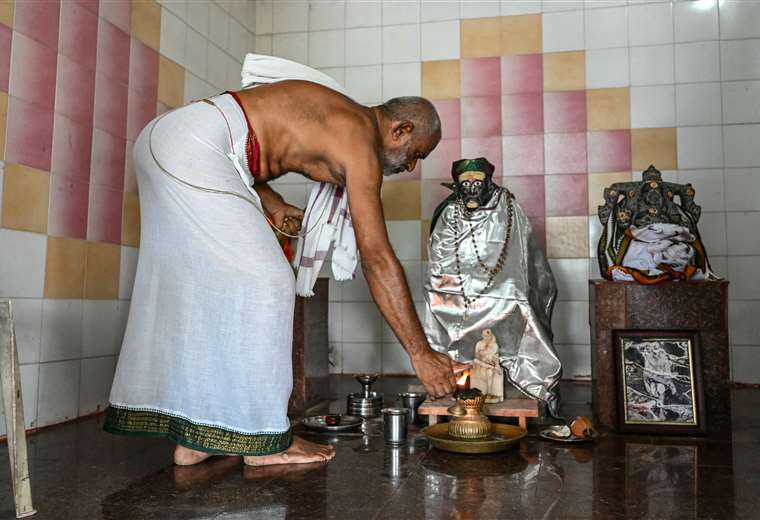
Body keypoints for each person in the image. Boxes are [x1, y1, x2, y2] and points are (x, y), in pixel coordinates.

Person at [105, 80, 469, 467]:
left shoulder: (338, 117)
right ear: (401, 129)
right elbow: (376, 257)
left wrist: (274, 203)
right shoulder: (359, 138)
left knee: (214, 290)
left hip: (170, 140)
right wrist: (421, 353)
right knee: (273, 283)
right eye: (415, 155)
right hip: (192, 146)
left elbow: (242, 136)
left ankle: (206, 433)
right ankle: (266, 441)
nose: (410, 166)